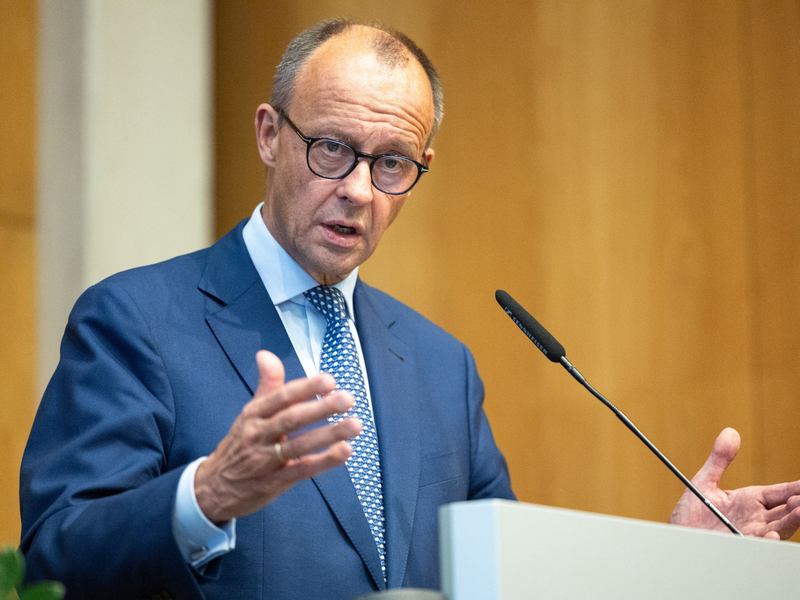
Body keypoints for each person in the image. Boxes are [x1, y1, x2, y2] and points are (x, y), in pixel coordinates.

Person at [19, 18, 800, 600]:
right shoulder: (136, 318)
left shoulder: (440, 364)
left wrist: (673, 562)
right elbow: (54, 558)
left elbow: (505, 575)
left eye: (391, 163)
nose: (358, 190)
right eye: (332, 149)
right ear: (269, 135)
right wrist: (208, 493)